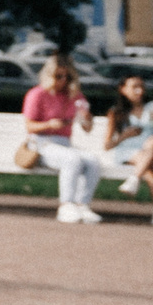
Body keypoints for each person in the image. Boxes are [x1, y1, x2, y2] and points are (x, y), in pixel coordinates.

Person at [23, 56, 103, 225]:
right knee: (71, 159)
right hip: (41, 143)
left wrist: (86, 117)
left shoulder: (74, 96)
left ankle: (82, 205)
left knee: (92, 161)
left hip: (64, 143)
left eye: (68, 77)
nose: (63, 81)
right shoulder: (37, 94)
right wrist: (49, 124)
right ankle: (66, 205)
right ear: (49, 75)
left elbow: (87, 128)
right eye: (59, 76)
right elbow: (29, 126)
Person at [99, 72, 153, 230]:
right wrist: (124, 136)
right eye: (134, 87)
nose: (139, 91)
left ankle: (134, 179)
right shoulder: (116, 112)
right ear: (123, 89)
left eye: (141, 87)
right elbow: (107, 145)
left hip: (152, 150)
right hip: (128, 151)